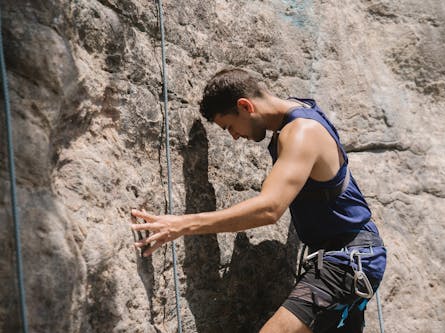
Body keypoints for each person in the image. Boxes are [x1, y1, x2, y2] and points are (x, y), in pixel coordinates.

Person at [131, 68, 387, 333]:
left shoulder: (301, 133)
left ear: (245, 105)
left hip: (347, 259)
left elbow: (269, 208)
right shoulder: (300, 112)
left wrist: (181, 226)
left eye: (229, 126)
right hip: (352, 255)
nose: (233, 135)